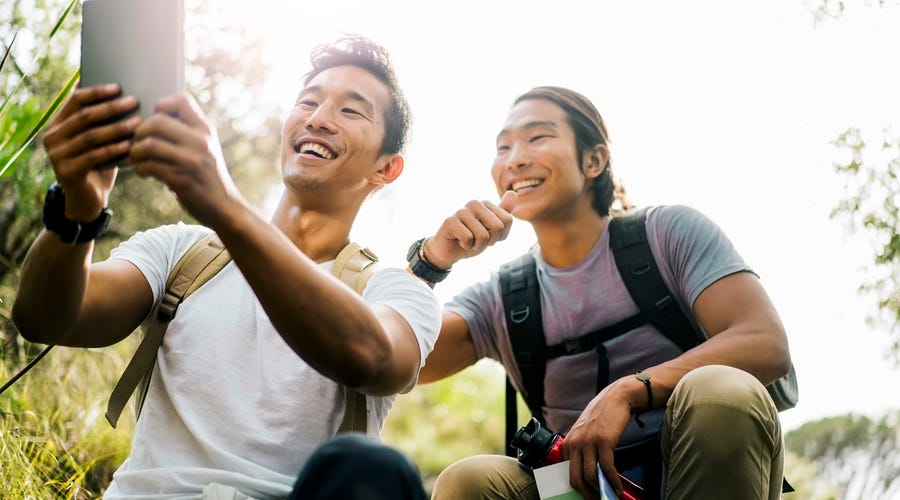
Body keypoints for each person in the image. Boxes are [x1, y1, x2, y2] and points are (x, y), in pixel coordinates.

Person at [12, 36, 439, 499]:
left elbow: (373, 359)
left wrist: (222, 203)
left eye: (351, 111)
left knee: (376, 469)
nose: (318, 119)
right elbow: (45, 318)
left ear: (386, 169)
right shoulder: (181, 251)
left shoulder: (396, 291)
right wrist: (78, 210)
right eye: (308, 102)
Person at [408, 86, 792, 499]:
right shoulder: (504, 298)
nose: (515, 158)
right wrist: (432, 260)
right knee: (468, 481)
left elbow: (764, 343)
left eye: (537, 137)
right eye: (503, 147)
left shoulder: (667, 233)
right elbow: (397, 360)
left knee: (720, 390)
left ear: (594, 160)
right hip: (578, 486)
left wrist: (627, 392)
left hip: (698, 466)